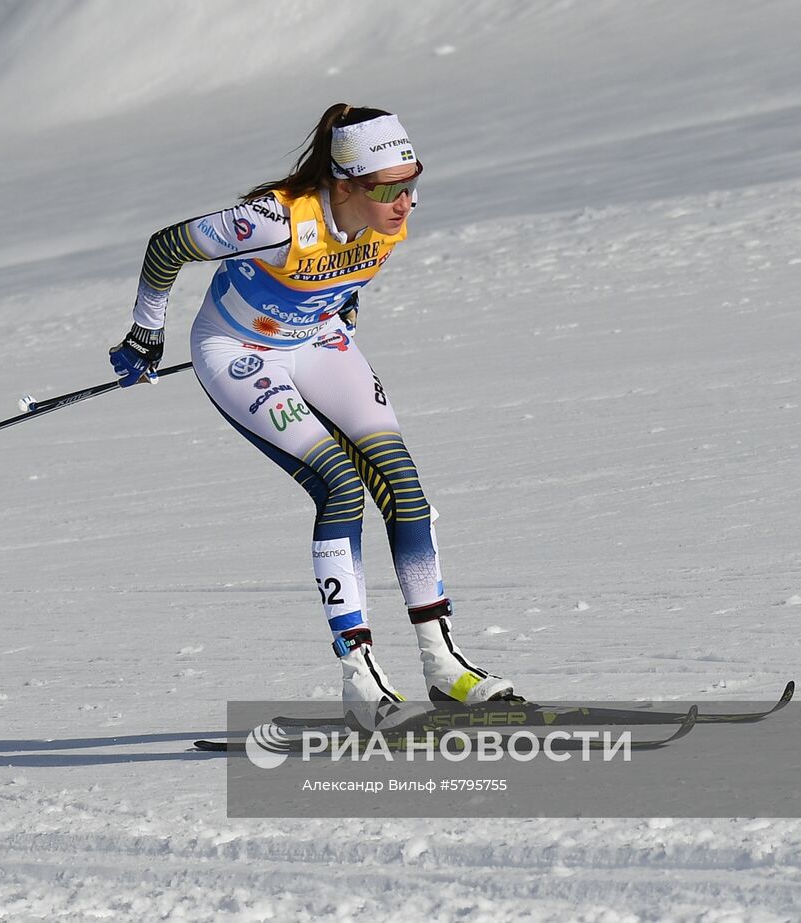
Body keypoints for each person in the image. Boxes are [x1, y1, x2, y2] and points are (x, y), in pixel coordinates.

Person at [108, 104, 517, 729]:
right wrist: (146, 331)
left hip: (317, 340)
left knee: (406, 493)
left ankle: (445, 667)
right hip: (239, 351)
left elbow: (342, 270)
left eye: (413, 184)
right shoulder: (272, 220)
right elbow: (166, 247)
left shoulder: (384, 215)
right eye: (389, 189)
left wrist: (340, 305)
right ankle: (361, 680)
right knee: (340, 486)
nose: (406, 202)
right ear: (345, 184)